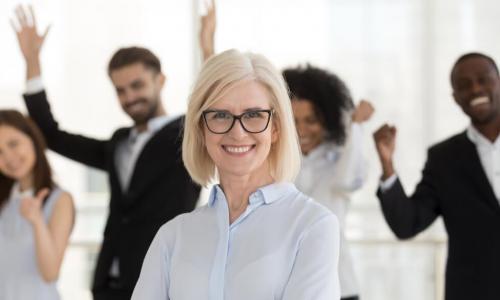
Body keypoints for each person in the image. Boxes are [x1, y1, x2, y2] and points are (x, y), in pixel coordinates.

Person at [12, 6, 201, 299]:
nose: (129, 98)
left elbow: (216, 113)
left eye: (137, 86)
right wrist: (32, 63)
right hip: (108, 285)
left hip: (162, 282)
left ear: (160, 81)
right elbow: (50, 135)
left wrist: (208, 50)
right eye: (120, 90)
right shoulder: (118, 143)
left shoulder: (189, 136)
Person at [132, 49, 341, 299]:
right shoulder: (172, 237)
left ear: (275, 128)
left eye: (253, 115)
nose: (238, 132)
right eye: (220, 115)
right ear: (201, 130)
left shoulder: (313, 226)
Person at [373, 52, 500, 300]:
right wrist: (387, 164)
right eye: (464, 85)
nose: (475, 88)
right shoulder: (444, 158)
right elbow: (406, 224)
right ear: (455, 98)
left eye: (483, 79)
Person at [283, 65, 374, 300]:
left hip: (339, 286)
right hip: (287, 287)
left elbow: (348, 180)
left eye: (311, 120)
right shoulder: (276, 164)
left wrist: (355, 125)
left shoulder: (340, 158)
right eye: (293, 120)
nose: (301, 130)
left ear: (327, 121)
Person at [0, 110, 75, 299]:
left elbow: (50, 274)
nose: (8, 157)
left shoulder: (60, 200)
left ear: (33, 139)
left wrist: (36, 221)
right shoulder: (5, 201)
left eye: (13, 144)